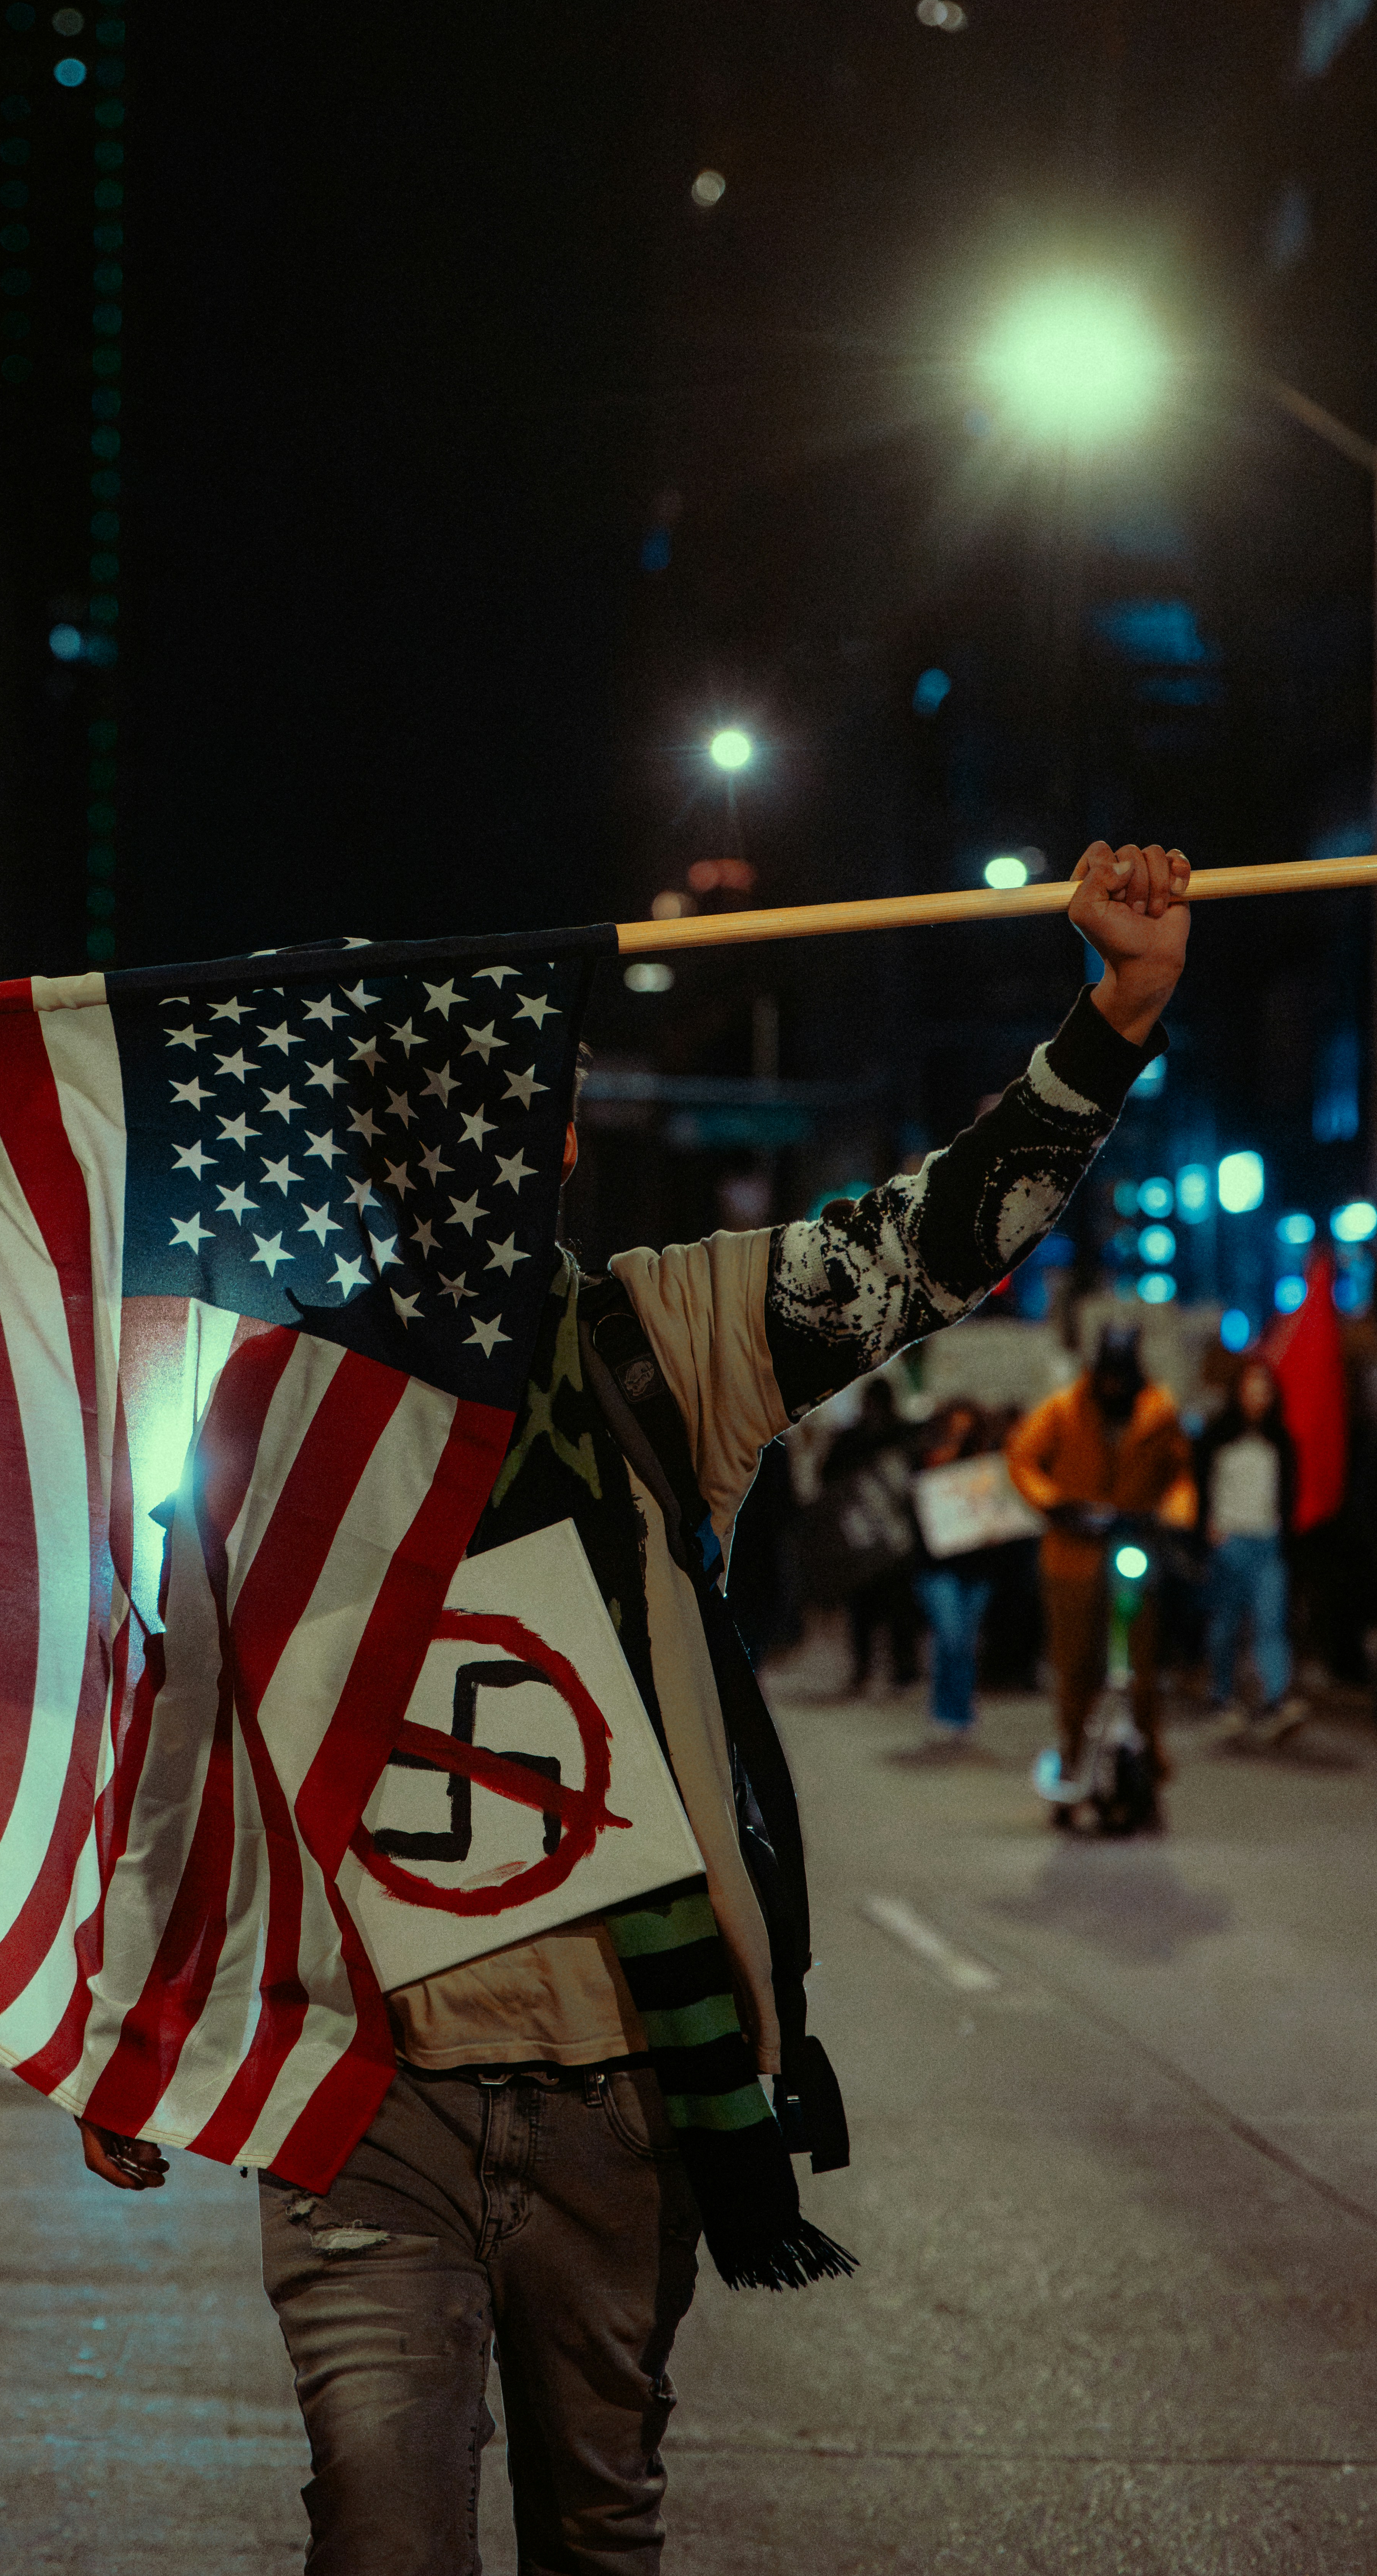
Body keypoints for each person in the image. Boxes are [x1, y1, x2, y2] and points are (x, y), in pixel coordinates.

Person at [80, 837, 1193, 2576]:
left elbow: (925, 1244)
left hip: (620, 2096)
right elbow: (191, 1726)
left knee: (598, 2530)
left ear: (560, 1138)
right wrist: (133, 2016)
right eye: (428, 1120)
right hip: (365, 2097)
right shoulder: (273, 1404)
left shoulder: (660, 1338)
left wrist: (1111, 1018)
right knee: (381, 2528)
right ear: (372, 1152)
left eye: (514, 1109)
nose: (474, 1149)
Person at [1006, 1323, 1194, 1818]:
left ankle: (1148, 1772)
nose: (1113, 1387)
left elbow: (1180, 1474)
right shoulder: (1064, 1410)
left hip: (1133, 1548)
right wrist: (1057, 1504)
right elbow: (1022, 1458)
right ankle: (1073, 1767)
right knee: (1075, 1672)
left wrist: (1173, 1515)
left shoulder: (1158, 1412)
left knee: (1141, 1672)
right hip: (1073, 1556)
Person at [1195, 1355, 1303, 1745]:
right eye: (1251, 1389)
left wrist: (1283, 1533)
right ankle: (1223, 1697)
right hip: (1229, 1541)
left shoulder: (1281, 1441)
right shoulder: (1217, 1437)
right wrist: (1208, 1529)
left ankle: (1276, 1699)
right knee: (1225, 1625)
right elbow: (1201, 1486)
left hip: (1266, 1543)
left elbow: (1289, 1494)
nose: (1258, 1397)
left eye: (1264, 1390)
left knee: (1271, 1623)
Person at [819, 1375, 923, 1692]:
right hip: (862, 1540)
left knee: (898, 1609)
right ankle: (866, 1669)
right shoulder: (853, 1439)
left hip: (896, 1540)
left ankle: (902, 1670)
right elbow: (828, 1479)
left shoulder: (902, 1435)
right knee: (863, 1609)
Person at [910, 1398, 995, 1746]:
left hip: (976, 1568)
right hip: (938, 1566)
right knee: (951, 1636)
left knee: (965, 1642)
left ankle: (959, 1711)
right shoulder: (926, 1460)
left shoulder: (986, 1463)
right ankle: (946, 1710)